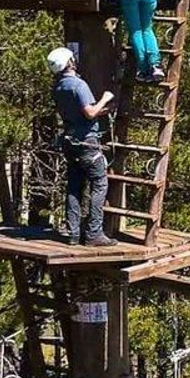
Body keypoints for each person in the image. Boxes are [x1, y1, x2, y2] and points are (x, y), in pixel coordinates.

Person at [48, 47, 118, 246]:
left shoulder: (59, 87)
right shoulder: (78, 85)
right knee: (99, 184)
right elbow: (88, 113)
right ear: (69, 63)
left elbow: (80, 113)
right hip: (87, 141)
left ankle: (73, 233)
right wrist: (105, 98)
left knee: (74, 187)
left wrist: (102, 111)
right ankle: (94, 233)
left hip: (71, 142)